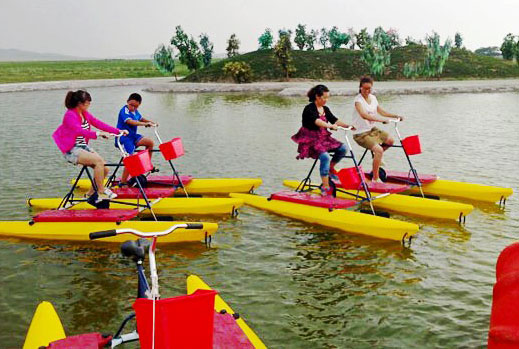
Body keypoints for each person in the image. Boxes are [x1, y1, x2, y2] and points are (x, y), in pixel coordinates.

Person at [52, 90, 127, 202]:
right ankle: (101, 192)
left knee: (105, 168)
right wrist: (98, 134)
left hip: (82, 147)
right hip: (72, 149)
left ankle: (89, 194)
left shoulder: (84, 113)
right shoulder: (70, 115)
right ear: (80, 103)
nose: (89, 105)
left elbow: (98, 123)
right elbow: (79, 131)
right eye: (88, 103)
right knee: (98, 162)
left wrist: (117, 131)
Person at [292, 84, 354, 196]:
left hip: (323, 137)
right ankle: (325, 186)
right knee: (325, 157)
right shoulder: (309, 108)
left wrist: (347, 125)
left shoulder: (325, 109)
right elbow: (316, 121)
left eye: (327, 98)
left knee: (343, 148)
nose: (326, 100)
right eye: (324, 98)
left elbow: (334, 120)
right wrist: (329, 126)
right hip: (311, 139)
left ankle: (331, 168)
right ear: (317, 96)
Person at [351, 76, 403, 182]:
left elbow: (381, 111)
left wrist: (395, 116)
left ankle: (377, 157)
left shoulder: (373, 98)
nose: (367, 91)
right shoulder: (358, 101)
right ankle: (375, 178)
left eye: (369, 88)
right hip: (360, 134)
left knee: (390, 140)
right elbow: (364, 115)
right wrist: (381, 120)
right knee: (379, 150)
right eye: (365, 88)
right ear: (360, 87)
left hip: (372, 130)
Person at [116, 93, 158, 186]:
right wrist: (144, 124)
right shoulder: (124, 111)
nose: (133, 108)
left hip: (133, 136)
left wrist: (150, 122)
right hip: (123, 138)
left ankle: (146, 165)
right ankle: (123, 182)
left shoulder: (135, 111)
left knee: (150, 143)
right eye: (131, 105)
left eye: (136, 106)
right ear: (127, 101)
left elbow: (141, 118)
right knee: (129, 159)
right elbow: (130, 121)